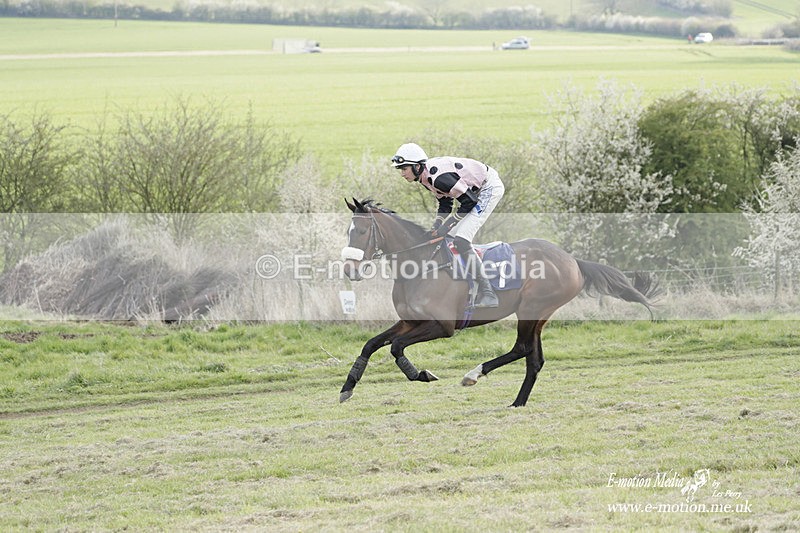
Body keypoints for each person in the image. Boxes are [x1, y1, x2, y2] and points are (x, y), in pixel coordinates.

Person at [391, 142, 505, 308]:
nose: (402, 174)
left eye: (404, 168)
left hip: (488, 188)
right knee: (449, 237)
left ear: (416, 166)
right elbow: (445, 203)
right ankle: (461, 283)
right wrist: (436, 226)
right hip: (473, 192)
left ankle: (489, 293)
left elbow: (469, 202)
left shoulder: (439, 179)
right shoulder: (425, 178)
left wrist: (446, 226)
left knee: (461, 240)